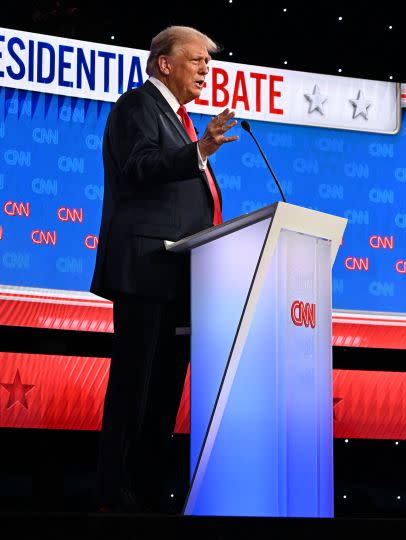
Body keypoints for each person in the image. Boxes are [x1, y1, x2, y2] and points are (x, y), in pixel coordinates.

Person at [90, 25, 238, 512]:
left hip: (180, 275)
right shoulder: (137, 106)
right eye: (196, 60)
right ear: (164, 64)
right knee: (136, 386)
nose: (205, 69)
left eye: (207, 62)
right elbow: (141, 167)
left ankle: (147, 496)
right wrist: (199, 152)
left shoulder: (180, 120)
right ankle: (115, 498)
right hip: (146, 268)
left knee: (163, 393)